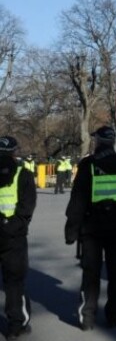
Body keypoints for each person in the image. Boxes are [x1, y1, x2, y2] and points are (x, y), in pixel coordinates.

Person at [64, 126, 116, 331]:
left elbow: (77, 200)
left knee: (91, 274)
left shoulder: (88, 164)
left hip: (92, 228)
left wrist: (71, 229)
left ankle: (87, 317)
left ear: (97, 141)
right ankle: (114, 315)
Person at [0, 136, 37, 340]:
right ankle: (16, 325)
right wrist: (13, 225)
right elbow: (27, 207)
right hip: (13, 235)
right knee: (14, 281)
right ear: (15, 152)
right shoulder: (23, 174)